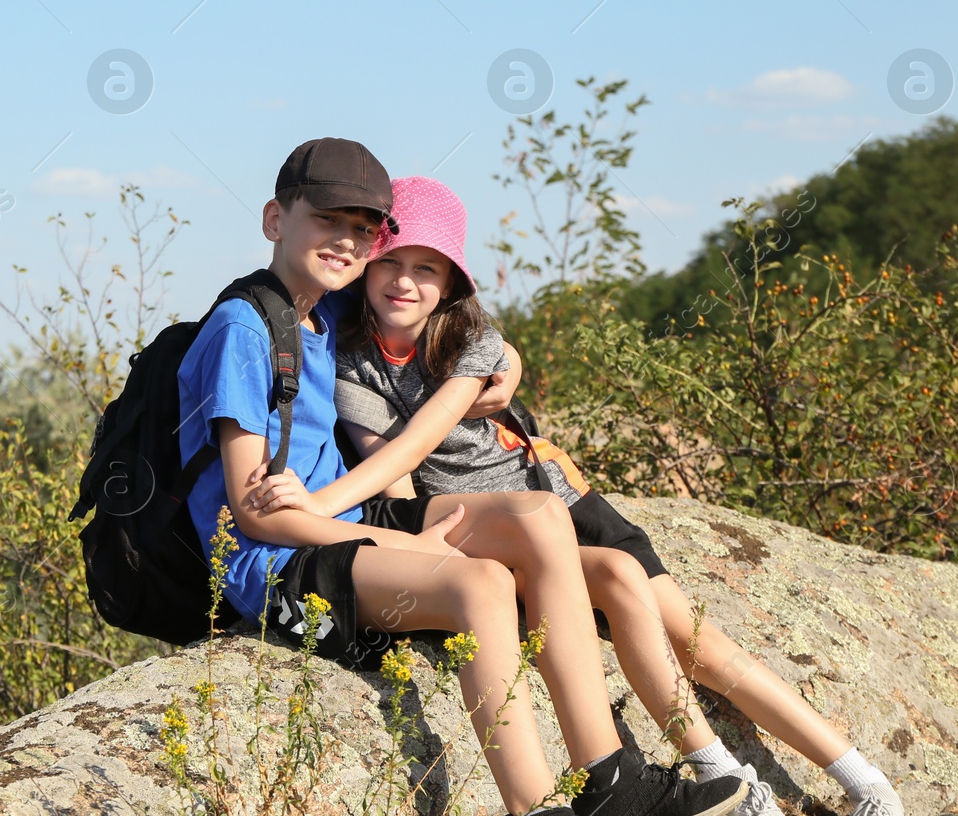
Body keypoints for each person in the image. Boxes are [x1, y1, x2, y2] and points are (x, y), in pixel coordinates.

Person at [250, 175, 905, 816]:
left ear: (450, 282)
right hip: (499, 530)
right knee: (615, 579)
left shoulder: (469, 338)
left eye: (427, 267)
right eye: (389, 260)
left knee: (699, 642)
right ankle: (704, 772)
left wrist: (320, 503)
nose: (404, 279)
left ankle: (858, 775)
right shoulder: (347, 350)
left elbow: (416, 441)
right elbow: (396, 476)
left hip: (560, 502)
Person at [179, 139, 749, 816]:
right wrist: (417, 548)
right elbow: (255, 517)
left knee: (541, 516)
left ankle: (609, 775)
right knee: (479, 581)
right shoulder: (242, 331)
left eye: (362, 229)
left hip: (344, 527)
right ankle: (535, 804)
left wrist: (503, 356)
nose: (345, 241)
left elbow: (442, 314)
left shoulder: (324, 311)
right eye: (326, 219)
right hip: (278, 568)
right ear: (275, 218)